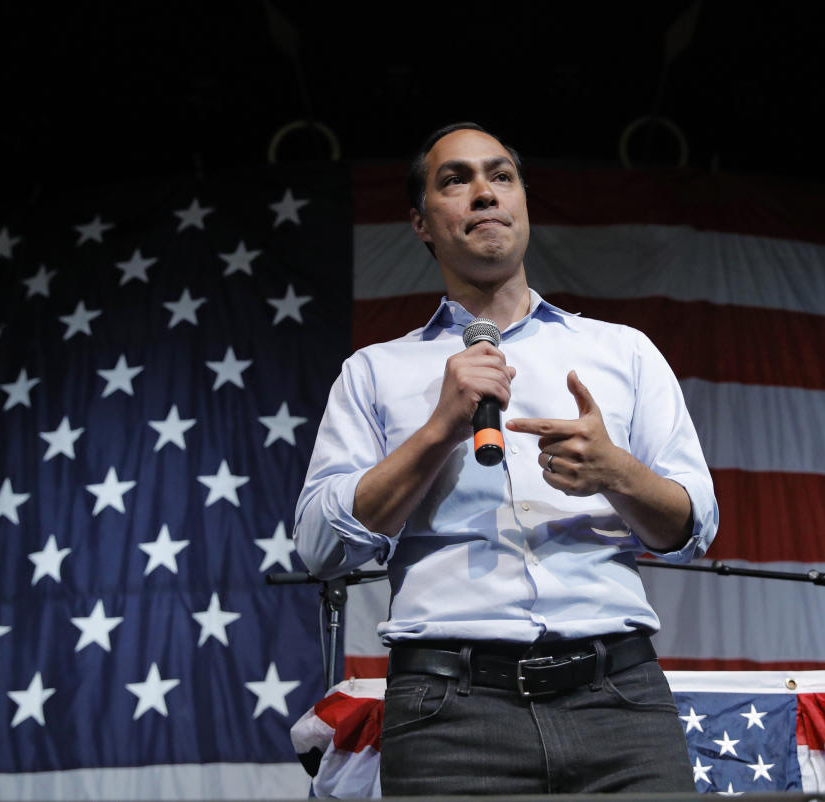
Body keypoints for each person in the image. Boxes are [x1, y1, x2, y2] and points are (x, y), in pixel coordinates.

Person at [294, 122, 719, 795]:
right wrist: (437, 430)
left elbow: (691, 528)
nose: (484, 193)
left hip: (620, 703)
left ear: (522, 203)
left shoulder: (624, 352)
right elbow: (319, 546)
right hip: (448, 717)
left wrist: (617, 472)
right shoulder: (374, 372)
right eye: (455, 180)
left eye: (501, 176)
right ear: (421, 224)